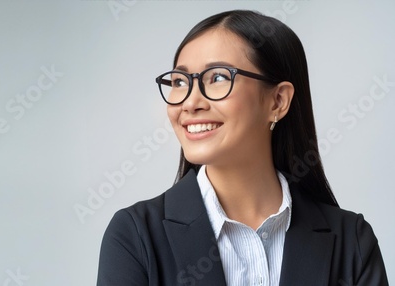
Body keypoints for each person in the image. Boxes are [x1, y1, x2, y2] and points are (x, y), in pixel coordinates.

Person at [96, 10, 388, 286]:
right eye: (180, 82)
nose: (190, 102)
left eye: (218, 77)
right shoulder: (135, 235)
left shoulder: (352, 241)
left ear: (277, 101)